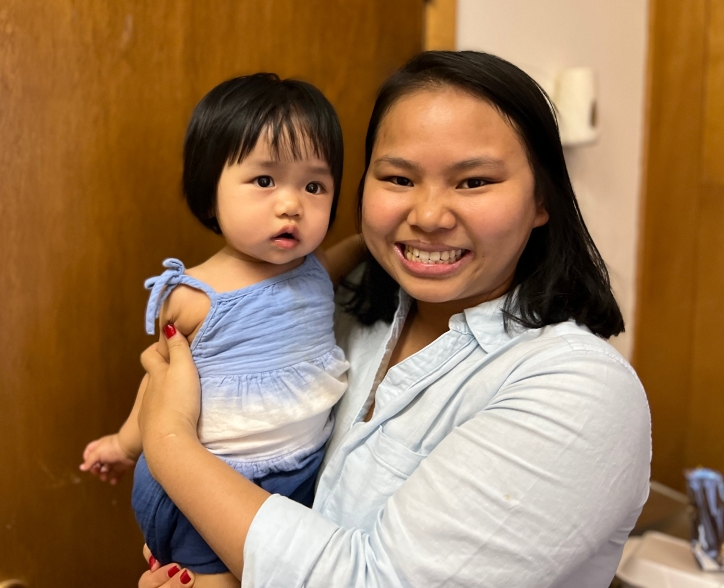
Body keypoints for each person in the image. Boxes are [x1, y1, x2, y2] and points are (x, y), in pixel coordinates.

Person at [136, 51, 652, 587]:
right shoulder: (335, 309)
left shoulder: (580, 391)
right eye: (399, 178)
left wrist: (169, 442)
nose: (428, 216)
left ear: (542, 200)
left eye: (474, 182)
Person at [80, 73, 365, 587]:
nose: (291, 204)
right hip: (207, 483)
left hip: (303, 471)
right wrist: (124, 446)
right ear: (210, 192)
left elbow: (344, 257)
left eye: (314, 186)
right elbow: (159, 384)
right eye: (265, 181)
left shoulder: (315, 269)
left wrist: (374, 240)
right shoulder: (193, 298)